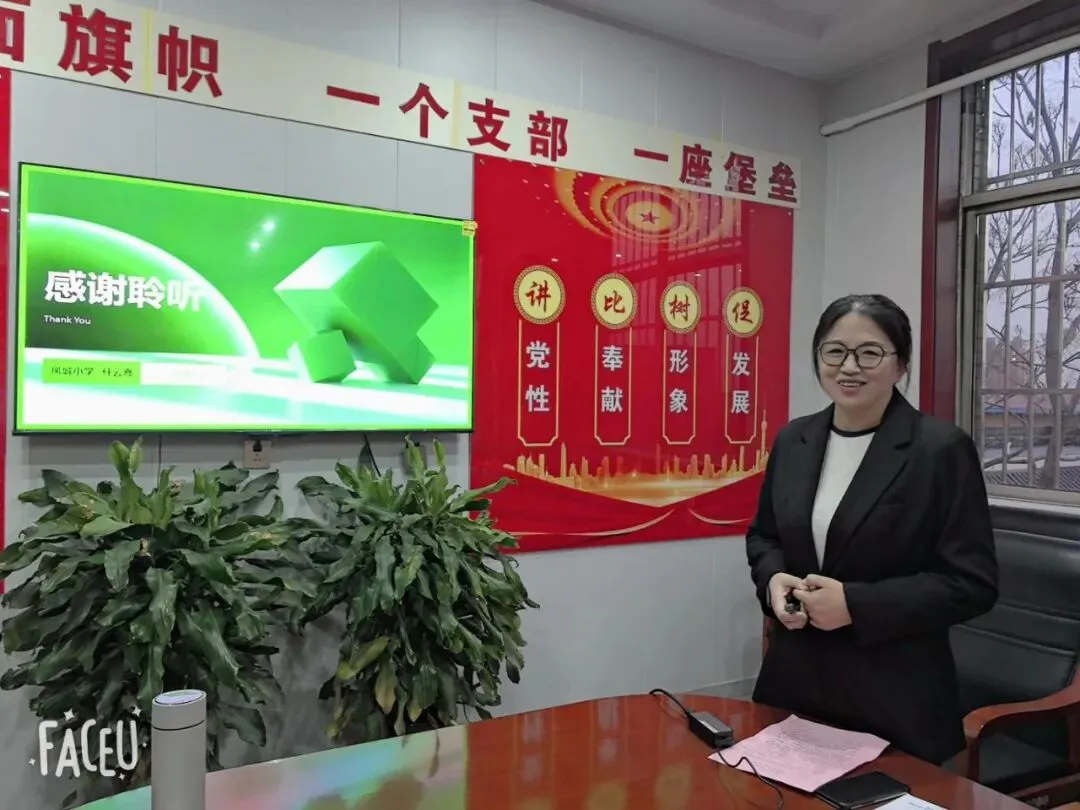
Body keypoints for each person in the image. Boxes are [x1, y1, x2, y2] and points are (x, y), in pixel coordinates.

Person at [746, 293, 998, 765]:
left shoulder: (939, 450)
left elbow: (971, 584)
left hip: (893, 697)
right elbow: (765, 536)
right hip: (795, 684)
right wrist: (774, 578)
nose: (849, 367)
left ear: (900, 364)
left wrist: (855, 606)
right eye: (834, 351)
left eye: (869, 353)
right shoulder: (794, 439)